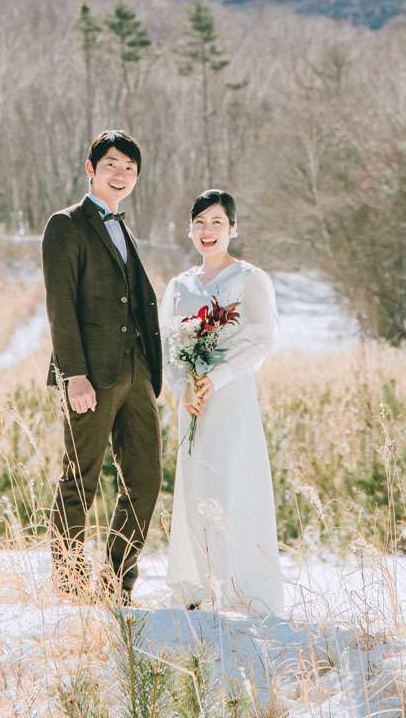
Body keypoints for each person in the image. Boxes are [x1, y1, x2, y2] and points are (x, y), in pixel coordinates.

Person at [42, 130, 163, 604]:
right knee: (80, 479)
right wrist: (73, 374)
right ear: (91, 168)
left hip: (136, 371)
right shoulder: (66, 224)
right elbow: (61, 305)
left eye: (130, 169)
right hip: (89, 374)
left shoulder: (122, 225)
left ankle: (116, 587)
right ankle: (70, 589)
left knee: (147, 480)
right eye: (112, 165)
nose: (121, 175)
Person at [162, 189, 285, 618]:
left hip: (230, 396)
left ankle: (240, 585)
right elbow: (167, 345)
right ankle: (197, 582)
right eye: (199, 223)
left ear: (233, 228)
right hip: (192, 402)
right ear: (189, 230)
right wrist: (184, 387)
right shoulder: (180, 285)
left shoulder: (251, 279)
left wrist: (215, 378)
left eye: (217, 222)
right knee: (196, 483)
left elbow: (262, 341)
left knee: (235, 481)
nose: (207, 231)